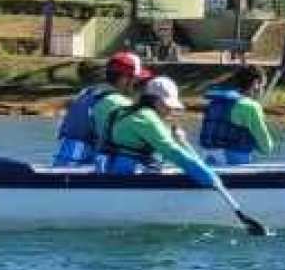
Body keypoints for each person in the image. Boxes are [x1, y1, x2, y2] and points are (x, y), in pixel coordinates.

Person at [98, 76, 233, 197]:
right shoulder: (145, 118)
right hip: (124, 177)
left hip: (115, 170)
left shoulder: (130, 112)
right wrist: (211, 179)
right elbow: (173, 152)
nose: (170, 111)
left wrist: (183, 142)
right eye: (167, 106)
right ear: (156, 101)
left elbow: (174, 153)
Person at [54, 51, 147, 166]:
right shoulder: (116, 101)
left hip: (64, 155)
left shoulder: (88, 92)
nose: (137, 85)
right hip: (81, 161)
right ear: (124, 79)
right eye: (136, 80)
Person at [197, 66, 277, 165]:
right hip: (234, 161)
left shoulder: (214, 103)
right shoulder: (250, 106)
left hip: (208, 158)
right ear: (255, 84)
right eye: (263, 86)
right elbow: (267, 147)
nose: (262, 91)